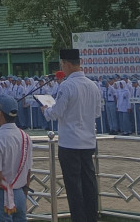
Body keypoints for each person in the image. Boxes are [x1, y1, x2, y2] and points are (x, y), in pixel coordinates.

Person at [42, 48, 101, 222]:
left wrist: (46, 110)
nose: (63, 68)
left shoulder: (67, 86)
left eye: (62, 65)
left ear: (67, 64)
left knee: (74, 186)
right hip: (88, 142)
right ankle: (91, 218)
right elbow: (97, 112)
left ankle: (79, 219)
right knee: (89, 183)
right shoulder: (92, 85)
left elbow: (57, 112)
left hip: (70, 143)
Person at [0, 95, 32, 222]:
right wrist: (24, 197)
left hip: (2, 195)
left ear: (0, 113)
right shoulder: (26, 137)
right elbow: (28, 171)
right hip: (20, 193)